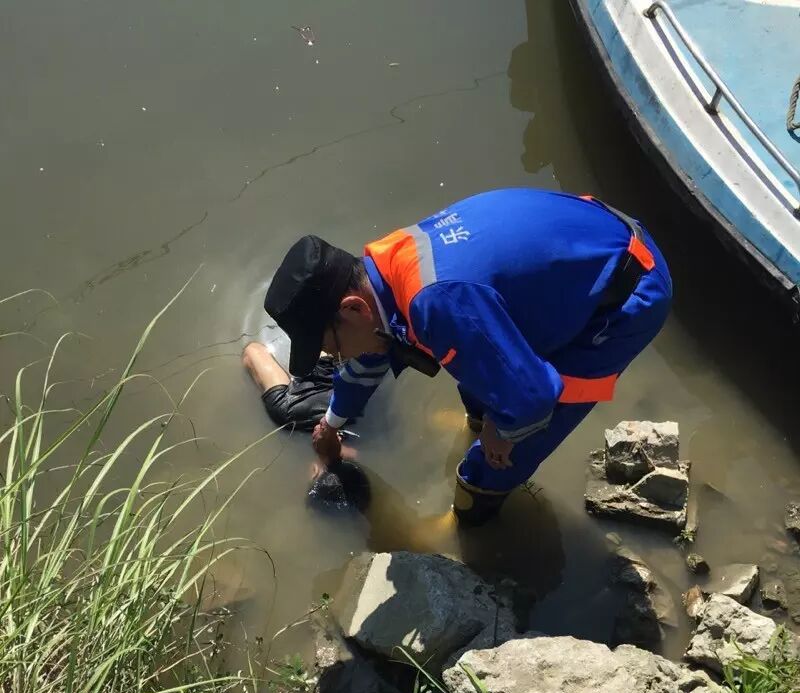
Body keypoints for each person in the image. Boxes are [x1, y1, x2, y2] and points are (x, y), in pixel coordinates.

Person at [255, 186, 672, 526]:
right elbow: (369, 360)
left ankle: (465, 521)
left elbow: (536, 398)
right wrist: (330, 425)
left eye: (334, 348)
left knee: (498, 456)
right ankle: (480, 422)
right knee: (479, 365)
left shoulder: (436, 302)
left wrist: (501, 431)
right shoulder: (384, 273)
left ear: (352, 309)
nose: (338, 357)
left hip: (627, 289)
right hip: (586, 242)